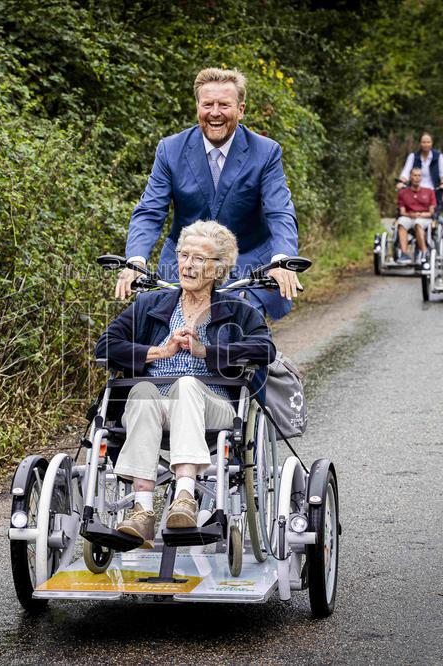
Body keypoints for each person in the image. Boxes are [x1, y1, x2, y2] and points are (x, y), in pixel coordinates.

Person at [97, 221, 274, 547]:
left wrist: (206, 350)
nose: (188, 265)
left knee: (188, 385)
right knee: (142, 391)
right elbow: (105, 345)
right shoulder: (151, 305)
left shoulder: (238, 309)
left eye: (199, 259)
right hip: (156, 406)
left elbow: (265, 350)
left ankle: (184, 500)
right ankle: (143, 512)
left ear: (219, 269)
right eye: (183, 255)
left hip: (215, 406)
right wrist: (159, 351)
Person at [115, 67, 300, 320]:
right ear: (197, 108)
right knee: (154, 326)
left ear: (240, 110)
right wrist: (135, 260)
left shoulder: (266, 152)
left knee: (240, 337)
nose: (215, 113)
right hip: (184, 264)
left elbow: (280, 211)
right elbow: (149, 211)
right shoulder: (170, 150)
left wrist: (281, 259)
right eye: (207, 104)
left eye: (224, 105)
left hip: (246, 266)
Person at [395, 166, 437, 263]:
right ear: (410, 177)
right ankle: (404, 254)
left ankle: (424, 252)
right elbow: (402, 212)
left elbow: (431, 212)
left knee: (418, 223)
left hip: (424, 218)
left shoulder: (429, 192)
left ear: (421, 178)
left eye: (419, 175)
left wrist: (420, 215)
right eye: (414, 175)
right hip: (409, 216)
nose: (417, 178)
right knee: (401, 222)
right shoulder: (403, 193)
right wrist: (411, 215)